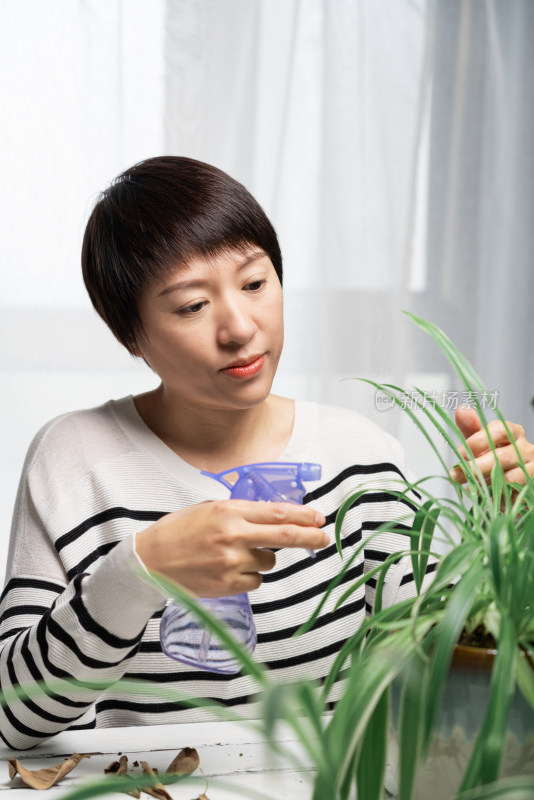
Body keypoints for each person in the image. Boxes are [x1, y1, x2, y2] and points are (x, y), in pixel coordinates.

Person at [1, 157, 532, 751]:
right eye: (191, 306)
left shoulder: (355, 455)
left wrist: (506, 543)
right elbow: (13, 719)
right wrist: (138, 568)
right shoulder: (74, 462)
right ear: (130, 335)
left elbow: (444, 678)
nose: (239, 327)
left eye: (255, 283)